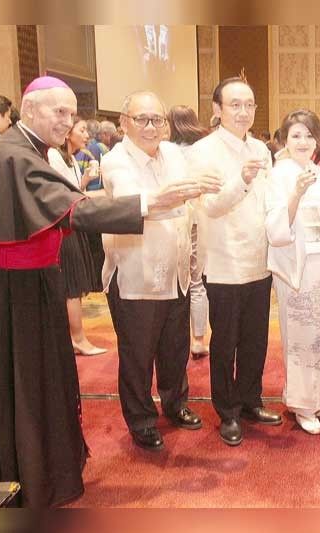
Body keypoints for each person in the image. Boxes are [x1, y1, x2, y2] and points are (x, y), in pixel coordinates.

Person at [0, 76, 214, 507]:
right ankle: (35, 475)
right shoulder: (16, 156)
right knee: (30, 385)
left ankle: (44, 468)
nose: (69, 121)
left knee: (45, 383)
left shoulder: (27, 150)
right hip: (19, 294)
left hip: (31, 284)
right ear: (29, 108)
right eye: (59, 112)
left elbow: (0, 217)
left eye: (72, 113)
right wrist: (154, 202)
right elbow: (75, 210)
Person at [102, 91, 206, 451]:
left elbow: (195, 187)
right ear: (124, 123)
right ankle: (141, 419)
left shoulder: (175, 154)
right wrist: (170, 196)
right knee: (137, 355)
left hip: (175, 271)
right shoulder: (116, 162)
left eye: (157, 119)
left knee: (174, 348)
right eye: (141, 119)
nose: (151, 127)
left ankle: (176, 403)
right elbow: (131, 201)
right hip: (137, 275)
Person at [186, 77, 282, 447]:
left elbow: (270, 200)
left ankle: (250, 400)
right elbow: (209, 205)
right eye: (235, 105)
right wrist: (240, 181)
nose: (243, 112)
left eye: (249, 105)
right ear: (217, 110)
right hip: (224, 262)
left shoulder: (261, 148)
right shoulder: (203, 152)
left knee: (255, 339)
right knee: (225, 341)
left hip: (260, 260)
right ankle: (227, 411)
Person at [265, 109, 320, 434]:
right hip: (295, 263)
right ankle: (301, 402)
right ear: (285, 139)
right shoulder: (278, 175)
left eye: (309, 135)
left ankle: (318, 397)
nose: (303, 142)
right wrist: (296, 194)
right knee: (299, 334)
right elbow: (274, 227)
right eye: (296, 135)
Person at [47, 116, 106, 356]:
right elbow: (64, 196)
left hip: (74, 223)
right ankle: (78, 339)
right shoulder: (53, 156)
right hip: (63, 228)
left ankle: (76, 337)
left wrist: (88, 182)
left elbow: (74, 190)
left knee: (76, 285)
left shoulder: (71, 158)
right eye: (81, 130)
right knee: (72, 286)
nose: (86, 135)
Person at [167, 104, 212, 358]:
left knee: (174, 283)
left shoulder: (167, 152)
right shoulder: (203, 149)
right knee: (196, 282)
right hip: (198, 220)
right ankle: (198, 339)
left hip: (172, 221)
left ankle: (177, 338)